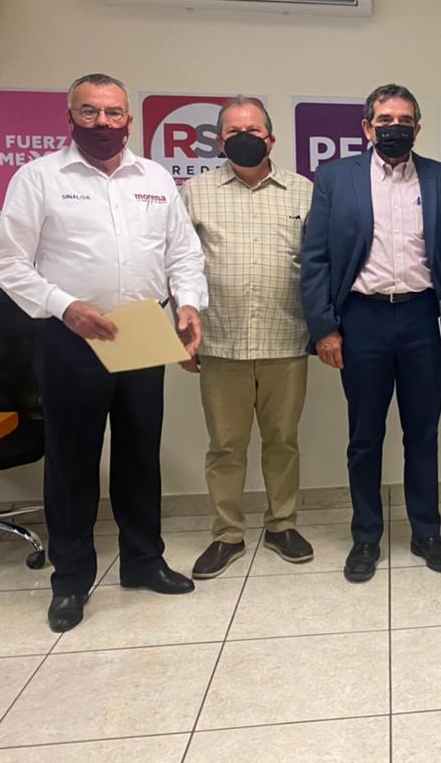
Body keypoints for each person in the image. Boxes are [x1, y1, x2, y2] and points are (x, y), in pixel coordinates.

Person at [0, 72, 207, 633]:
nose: (102, 122)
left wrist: (189, 304)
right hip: (72, 338)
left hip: (141, 332)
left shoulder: (155, 178)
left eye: (113, 112)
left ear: (129, 119)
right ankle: (70, 580)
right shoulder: (39, 177)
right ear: (70, 118)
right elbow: (6, 261)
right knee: (72, 462)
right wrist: (64, 306)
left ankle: (143, 561)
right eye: (89, 111)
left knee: (140, 455)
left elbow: (182, 253)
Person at [301, 84, 441, 584]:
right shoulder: (335, 178)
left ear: (417, 128)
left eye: (403, 120)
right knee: (365, 436)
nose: (394, 127)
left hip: (424, 318)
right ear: (367, 127)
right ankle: (366, 537)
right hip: (362, 320)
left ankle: (426, 532)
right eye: (384, 120)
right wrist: (324, 328)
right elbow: (315, 258)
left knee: (422, 433)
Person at [179, 96, 315, 578]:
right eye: (233, 131)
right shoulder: (195, 193)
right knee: (225, 446)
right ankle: (227, 534)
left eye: (253, 130)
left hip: (285, 340)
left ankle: (282, 525)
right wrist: (181, 332)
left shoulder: (303, 192)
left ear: (270, 139)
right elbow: (178, 266)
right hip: (221, 344)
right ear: (219, 141)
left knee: (283, 441)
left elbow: (319, 265)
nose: (244, 137)